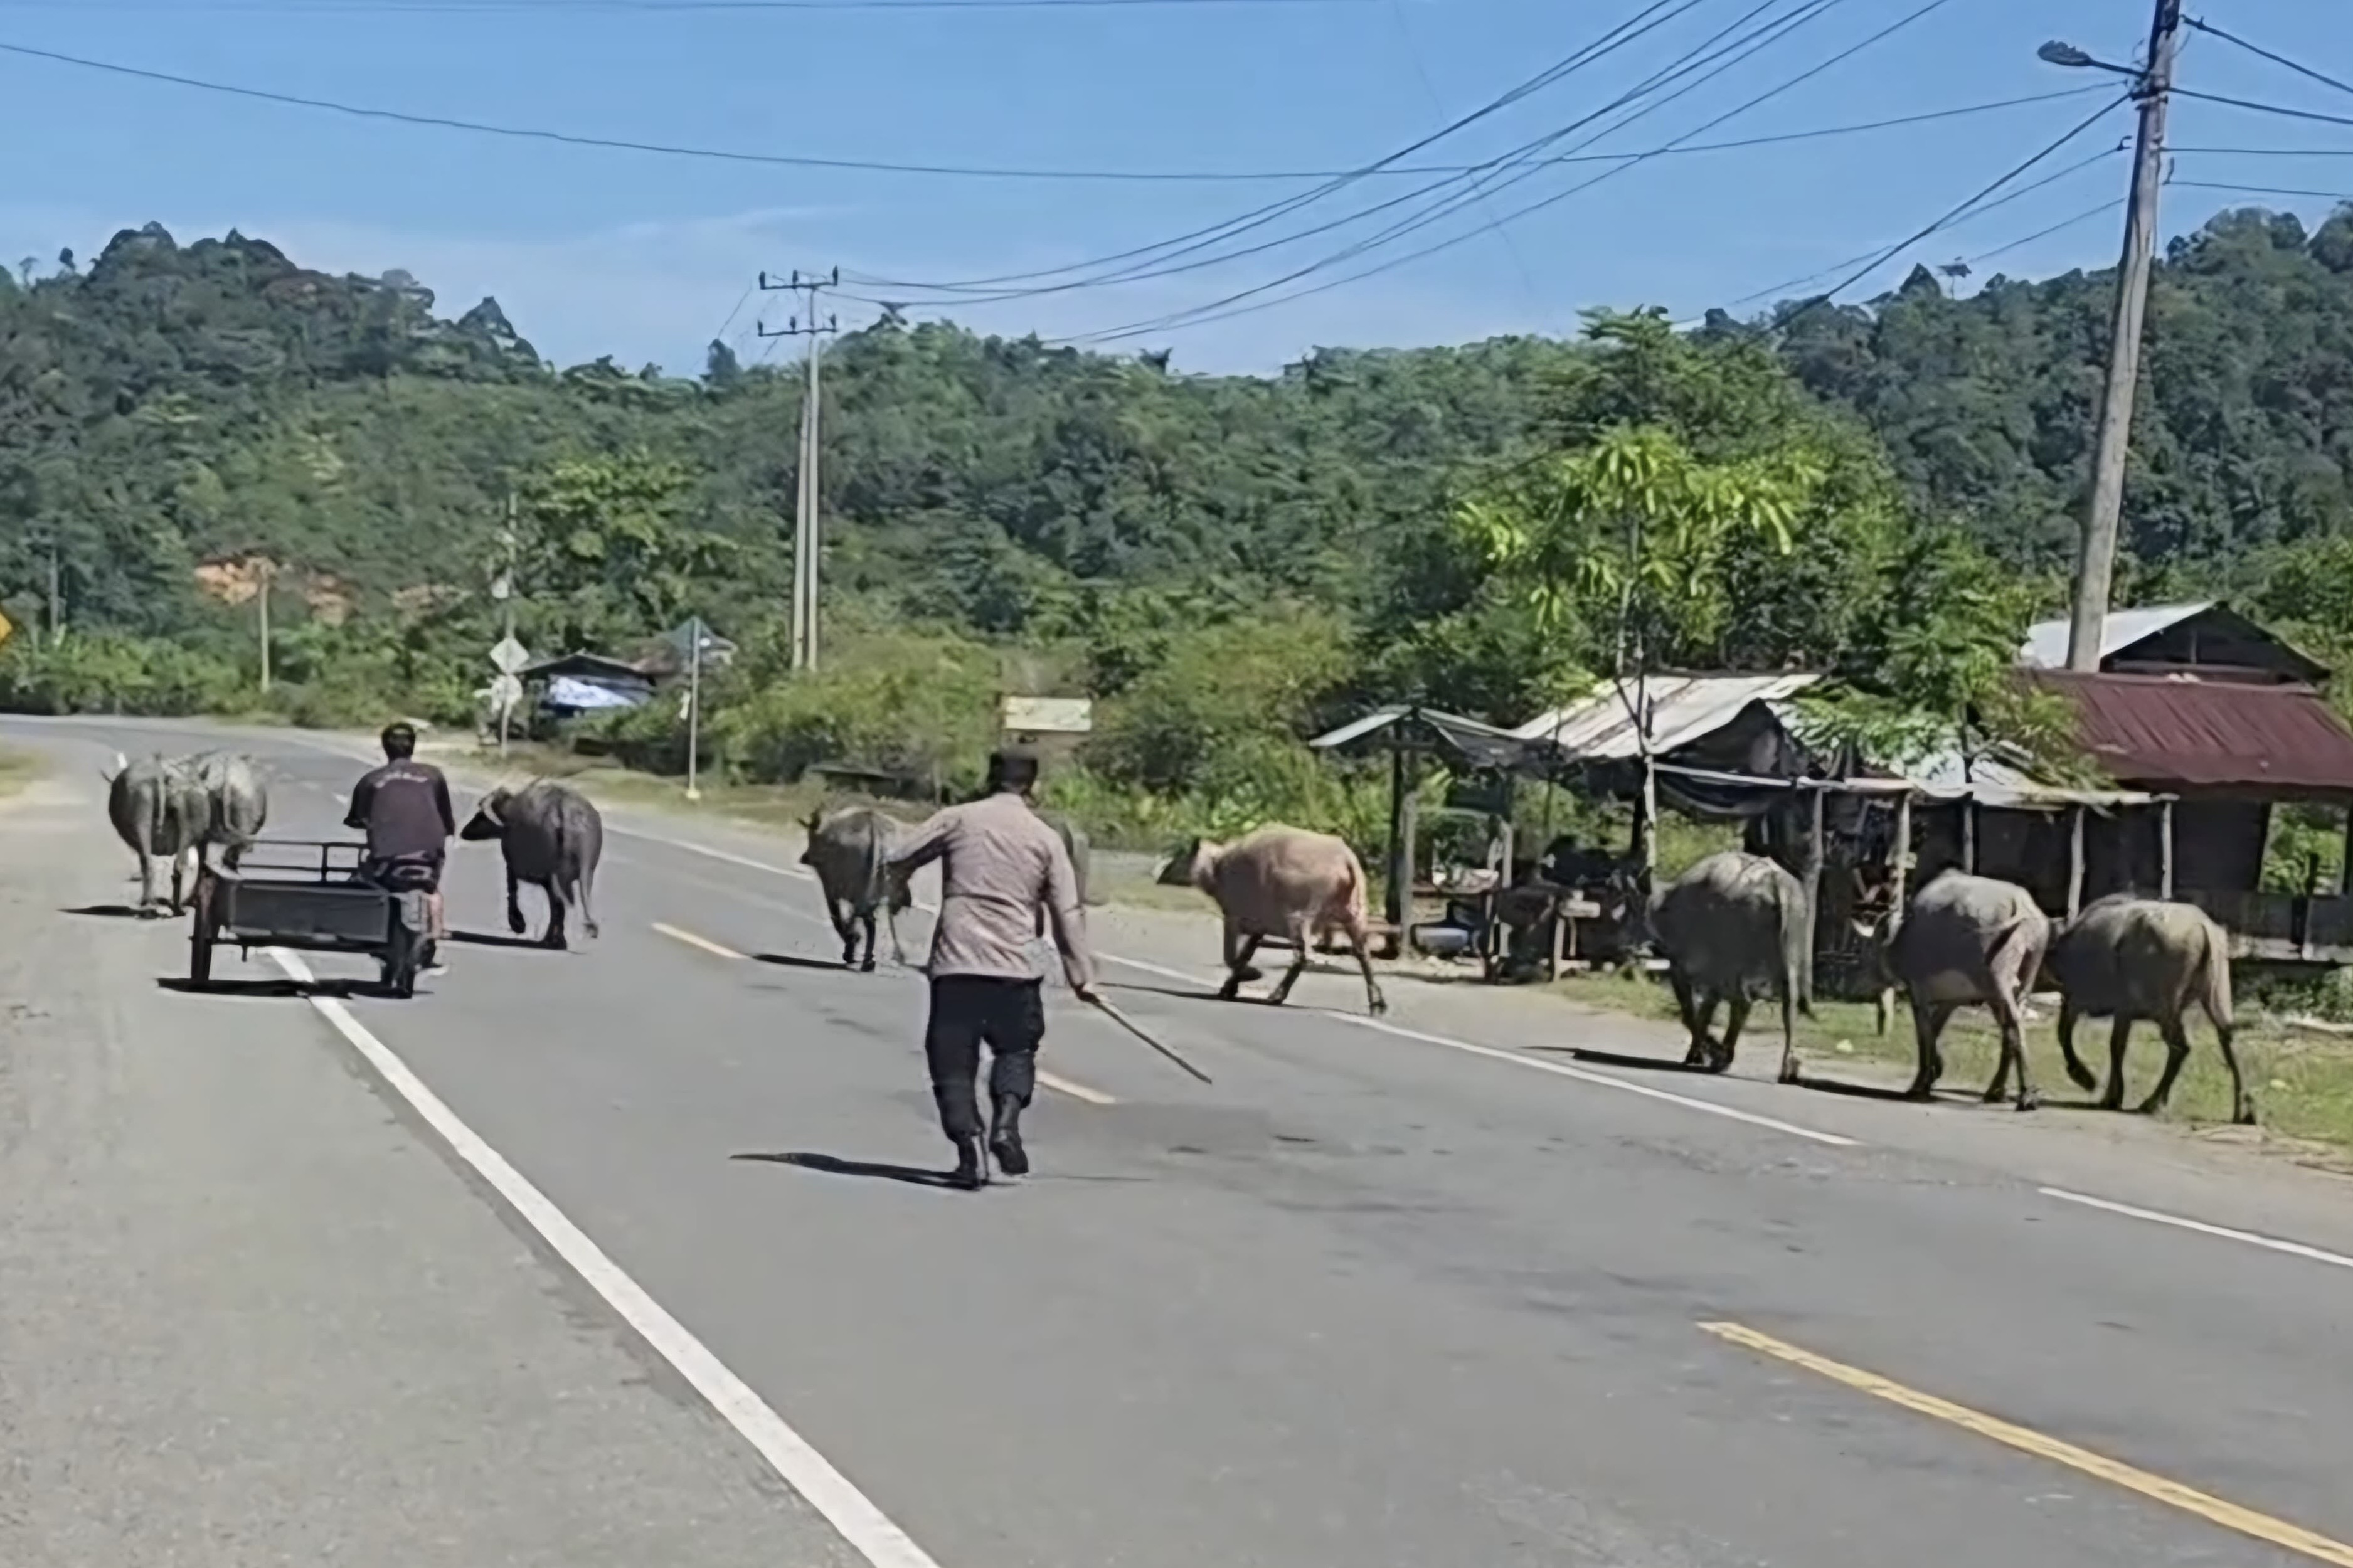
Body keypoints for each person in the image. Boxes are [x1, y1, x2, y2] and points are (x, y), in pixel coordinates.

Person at [888, 748, 1098, 1190]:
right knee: (1016, 1051)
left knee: (952, 1061)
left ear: (989, 777)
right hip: (1016, 970)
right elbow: (1067, 912)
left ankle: (971, 1149)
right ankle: (1006, 1122)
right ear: (1033, 786)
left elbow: (901, 854)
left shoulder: (958, 819)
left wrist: (899, 884)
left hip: (957, 965)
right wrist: (1081, 975)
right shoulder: (1045, 838)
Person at [344, 721, 457, 975]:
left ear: (385, 748)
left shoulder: (371, 780)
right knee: (432, 890)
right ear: (413, 747)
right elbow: (447, 821)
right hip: (428, 857)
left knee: (367, 883)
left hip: (387, 859)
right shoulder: (434, 776)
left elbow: (356, 819)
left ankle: (378, 938)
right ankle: (434, 940)